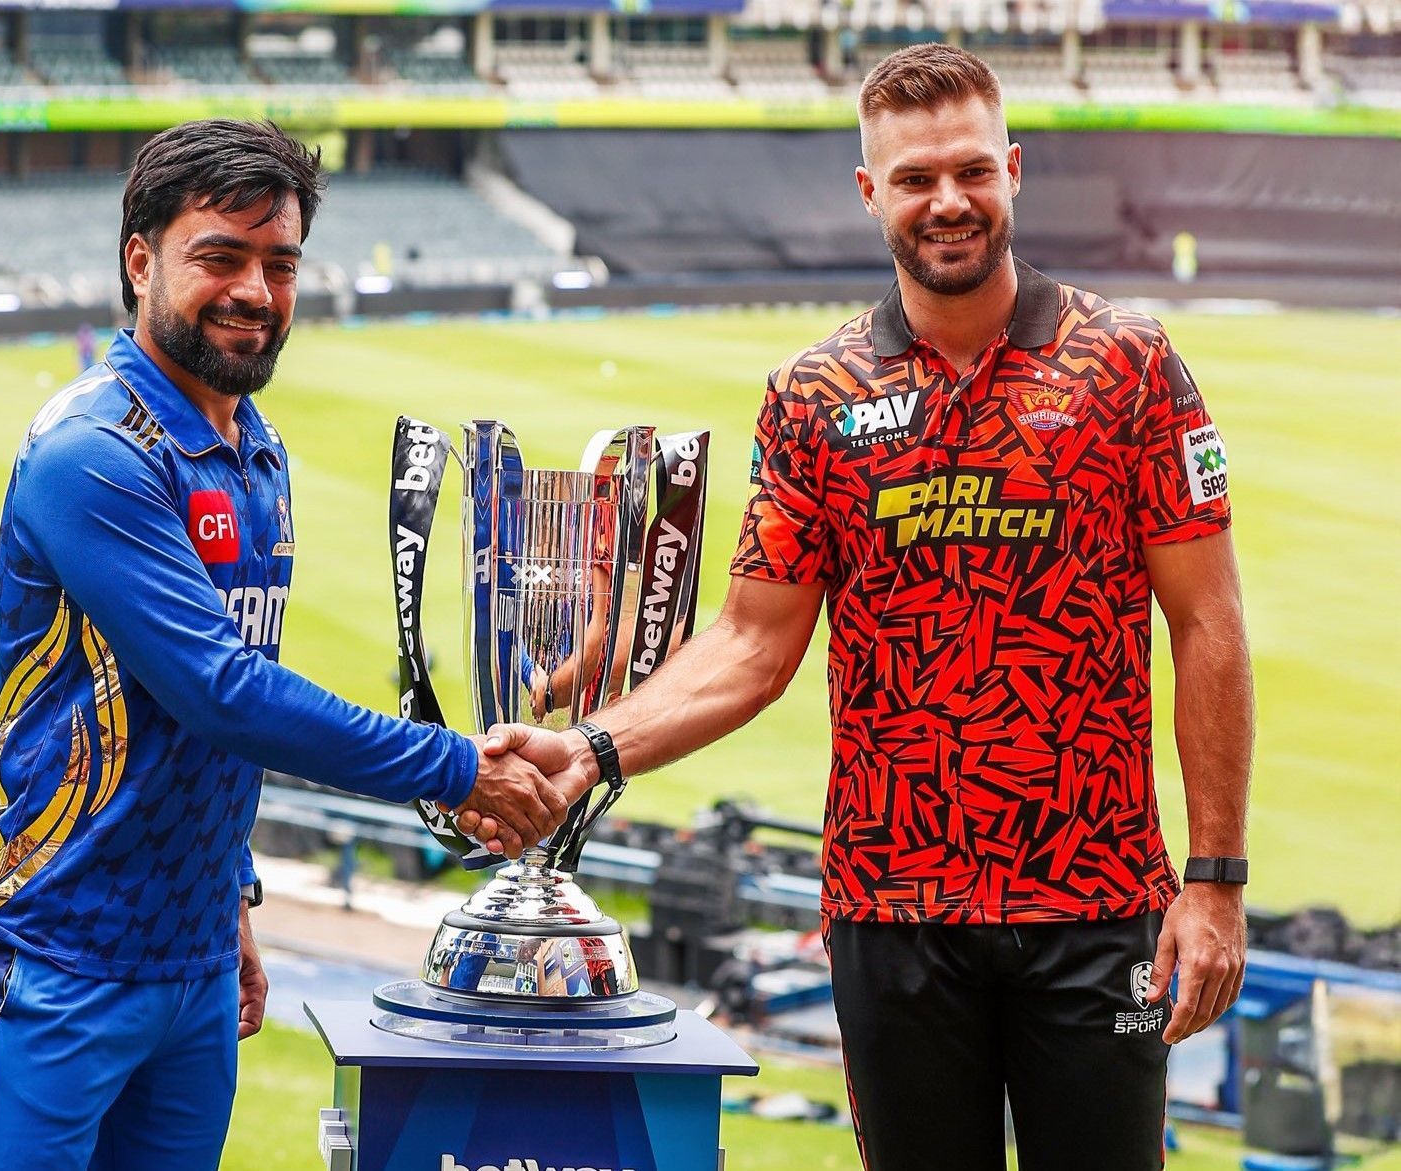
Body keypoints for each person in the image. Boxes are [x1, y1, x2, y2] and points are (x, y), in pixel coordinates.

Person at [470, 45, 1253, 1171]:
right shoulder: (815, 394)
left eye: (973, 171)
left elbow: (1210, 627)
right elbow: (750, 640)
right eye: (917, 176)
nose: (949, 201)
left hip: (1095, 902)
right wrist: (591, 747)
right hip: (893, 912)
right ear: (870, 190)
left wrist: (1216, 881)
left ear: (1014, 172)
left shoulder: (1127, 365)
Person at [0, 119, 574, 1171]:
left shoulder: (255, 448)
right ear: (141, 258)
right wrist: (458, 767)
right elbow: (222, 691)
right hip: (51, 944)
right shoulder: (92, 454)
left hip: (188, 957)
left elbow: (211, 724)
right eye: (218, 258)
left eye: (279, 264)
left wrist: (230, 892)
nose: (255, 292)